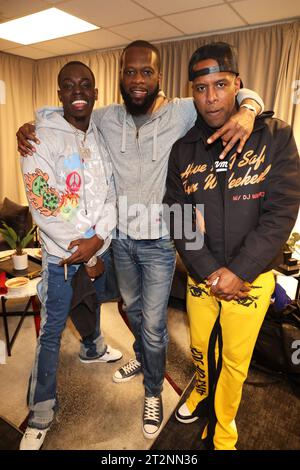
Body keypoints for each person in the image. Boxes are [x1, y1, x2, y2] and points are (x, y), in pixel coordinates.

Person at [16, 40, 264, 440]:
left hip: (161, 241)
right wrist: (30, 127)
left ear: (158, 76)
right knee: (131, 310)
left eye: (145, 72)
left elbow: (235, 95)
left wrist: (250, 109)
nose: (136, 80)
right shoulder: (106, 117)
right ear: (118, 79)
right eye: (129, 72)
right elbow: (65, 115)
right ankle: (145, 360)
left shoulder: (183, 110)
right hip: (120, 241)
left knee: (153, 326)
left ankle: (153, 389)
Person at [163, 42, 300, 450]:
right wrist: (208, 271)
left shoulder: (274, 137)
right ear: (192, 91)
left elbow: (281, 212)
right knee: (201, 349)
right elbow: (176, 214)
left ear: (238, 84)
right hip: (201, 278)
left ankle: (224, 433)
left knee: (237, 362)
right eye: (201, 88)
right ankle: (203, 392)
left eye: (221, 85)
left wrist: (239, 271)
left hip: (251, 280)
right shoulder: (183, 149)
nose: (211, 98)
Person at [19, 61, 122, 451]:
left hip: (97, 243)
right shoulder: (39, 139)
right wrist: (84, 248)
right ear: (59, 92)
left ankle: (93, 347)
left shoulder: (99, 136)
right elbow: (46, 204)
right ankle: (41, 408)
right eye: (69, 85)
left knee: (93, 299)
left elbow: (110, 194)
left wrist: (99, 240)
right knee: (51, 330)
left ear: (96, 92)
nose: (78, 91)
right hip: (61, 255)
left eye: (86, 85)